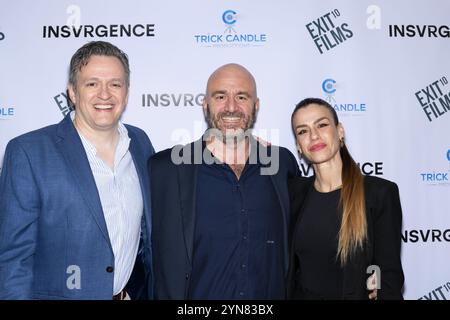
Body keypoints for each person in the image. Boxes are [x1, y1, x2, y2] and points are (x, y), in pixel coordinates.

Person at [0, 41, 154, 300]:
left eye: (115, 84)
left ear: (126, 93)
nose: (104, 94)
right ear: (72, 92)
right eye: (92, 84)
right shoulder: (28, 152)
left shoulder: (140, 143)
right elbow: (14, 258)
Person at [149, 63, 299, 299]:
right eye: (221, 96)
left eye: (242, 96)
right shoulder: (164, 169)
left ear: (256, 106)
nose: (231, 107)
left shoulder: (282, 164)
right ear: (205, 105)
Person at [287, 97, 404, 300]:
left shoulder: (379, 193)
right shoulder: (293, 193)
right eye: (303, 131)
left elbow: (388, 276)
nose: (314, 136)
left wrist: (378, 282)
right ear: (298, 144)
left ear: (339, 131)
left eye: (322, 125)